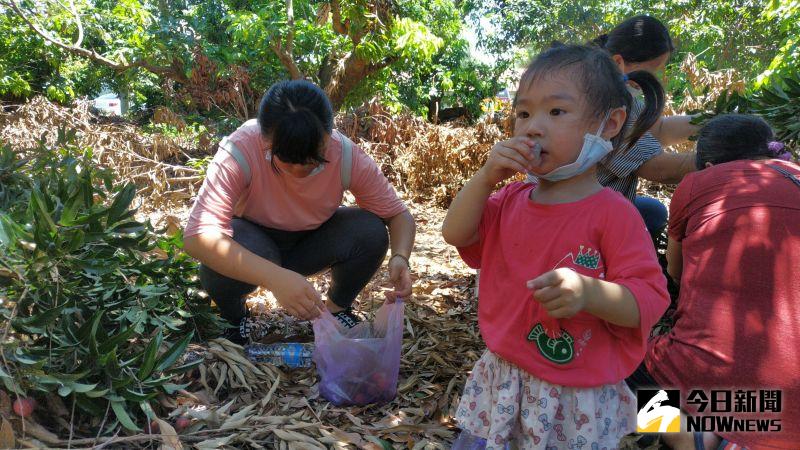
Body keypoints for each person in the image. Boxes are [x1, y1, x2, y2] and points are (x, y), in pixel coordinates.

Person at [442, 44, 670, 448]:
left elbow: (649, 299)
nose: (531, 127)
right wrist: (484, 177)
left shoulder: (613, 214)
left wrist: (589, 292)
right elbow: (456, 234)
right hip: (506, 374)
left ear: (610, 124)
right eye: (523, 113)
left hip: (574, 392)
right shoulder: (509, 200)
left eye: (556, 112)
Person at [183, 80, 416, 343]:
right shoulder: (242, 149)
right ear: (265, 138)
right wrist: (274, 278)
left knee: (370, 230)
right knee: (219, 253)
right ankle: (233, 318)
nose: (298, 171)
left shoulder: (346, 155)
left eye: (313, 160)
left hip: (311, 243)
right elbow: (197, 237)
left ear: (330, 135)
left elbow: (398, 215)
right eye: (285, 159)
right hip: (254, 245)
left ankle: (338, 309)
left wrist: (400, 257)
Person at [627, 114, 800, 450]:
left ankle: (691, 436)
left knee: (629, 363)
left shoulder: (698, 183)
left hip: (725, 386)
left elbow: (675, 272)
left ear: (706, 163)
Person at [594, 15, 699, 237]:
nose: (658, 76)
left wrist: (710, 121)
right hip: (580, 210)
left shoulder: (618, 91)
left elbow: (656, 129)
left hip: (596, 198)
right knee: (652, 213)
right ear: (618, 62)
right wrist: (724, 154)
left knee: (653, 211)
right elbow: (659, 169)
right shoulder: (605, 103)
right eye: (655, 68)